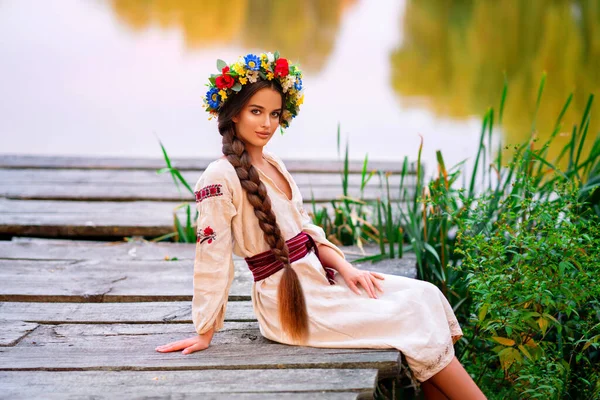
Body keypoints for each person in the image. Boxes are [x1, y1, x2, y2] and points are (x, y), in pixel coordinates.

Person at [155, 52, 486, 399]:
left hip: (319, 279)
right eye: (256, 111)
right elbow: (212, 257)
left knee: (425, 296)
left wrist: (346, 268)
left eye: (274, 114)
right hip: (287, 303)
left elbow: (306, 230)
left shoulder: (274, 164)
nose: (267, 123)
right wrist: (205, 330)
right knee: (409, 316)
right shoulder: (219, 177)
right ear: (234, 113)